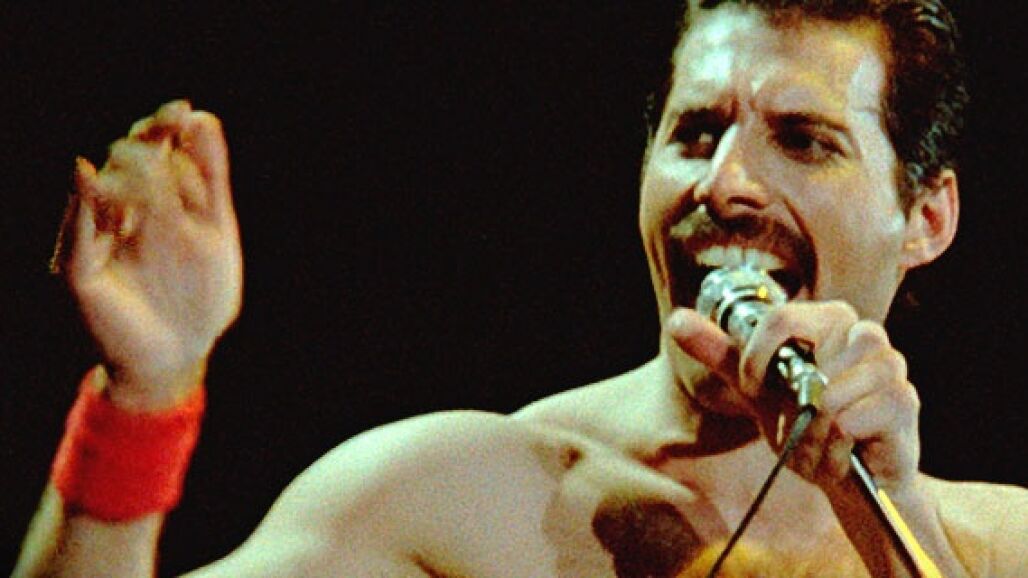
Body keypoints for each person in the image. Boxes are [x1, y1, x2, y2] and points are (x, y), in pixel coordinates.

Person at [13, 0, 1027, 576]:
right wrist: (145, 399)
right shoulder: (458, 494)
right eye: (693, 133)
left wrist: (886, 516)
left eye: (803, 141)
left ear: (926, 217)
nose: (723, 184)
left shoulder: (1001, 546)